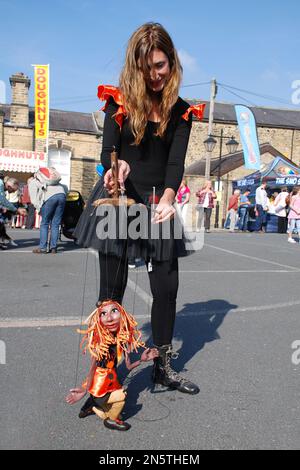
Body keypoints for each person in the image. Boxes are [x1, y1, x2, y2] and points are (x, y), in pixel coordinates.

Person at [74, 22, 206, 394]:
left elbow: (174, 164)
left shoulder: (182, 111)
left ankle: (162, 368)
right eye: (147, 67)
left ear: (172, 62)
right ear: (136, 66)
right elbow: (107, 153)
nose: (154, 75)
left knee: (167, 287)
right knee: (110, 294)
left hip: (158, 202)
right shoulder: (119, 100)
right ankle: (105, 378)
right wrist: (116, 169)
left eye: (161, 65)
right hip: (119, 197)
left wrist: (167, 200)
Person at [66, 300, 158, 431]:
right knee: (121, 397)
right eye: (103, 313)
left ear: (123, 315)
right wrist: (84, 389)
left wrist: (142, 360)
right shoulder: (101, 345)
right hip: (99, 384)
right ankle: (111, 420)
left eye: (114, 311)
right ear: (99, 320)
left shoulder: (121, 341)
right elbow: (93, 369)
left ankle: (93, 406)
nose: (109, 318)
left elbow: (128, 366)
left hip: (111, 381)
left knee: (115, 403)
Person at [30, 167, 67, 254]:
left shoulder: (34, 181)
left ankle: (43, 248)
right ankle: (53, 248)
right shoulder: (55, 180)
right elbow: (65, 188)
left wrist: (38, 208)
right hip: (62, 195)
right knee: (55, 224)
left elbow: (33, 199)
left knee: (45, 223)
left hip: (49, 197)